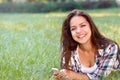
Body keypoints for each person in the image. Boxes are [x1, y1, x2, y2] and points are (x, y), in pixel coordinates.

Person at [54, 9, 120, 80]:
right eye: (73, 29)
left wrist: (73, 75)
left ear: (91, 27)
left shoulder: (110, 48)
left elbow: (100, 77)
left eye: (83, 25)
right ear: (70, 33)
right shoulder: (68, 50)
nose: (78, 31)